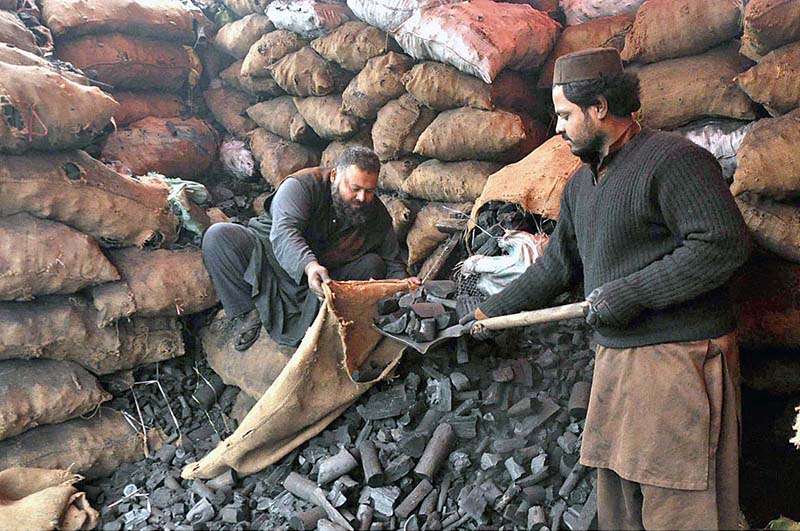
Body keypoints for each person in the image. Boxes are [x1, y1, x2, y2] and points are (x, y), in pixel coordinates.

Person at [461, 48, 751, 530]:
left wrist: (630, 293)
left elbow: (722, 245)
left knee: (682, 509)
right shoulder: (580, 186)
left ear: (599, 107)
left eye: (564, 115)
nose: (557, 127)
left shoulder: (676, 161)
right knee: (619, 504)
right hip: (616, 364)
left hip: (679, 361)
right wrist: (488, 314)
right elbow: (556, 267)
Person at [203, 146, 417, 351]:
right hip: (271, 258)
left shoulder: (376, 214)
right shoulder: (302, 185)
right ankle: (250, 312)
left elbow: (392, 261)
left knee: (373, 264)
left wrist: (406, 286)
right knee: (219, 236)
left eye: (369, 191)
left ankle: (315, 325)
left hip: (320, 281)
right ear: (334, 176)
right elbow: (285, 232)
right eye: (355, 188)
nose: (362, 198)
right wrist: (308, 265)